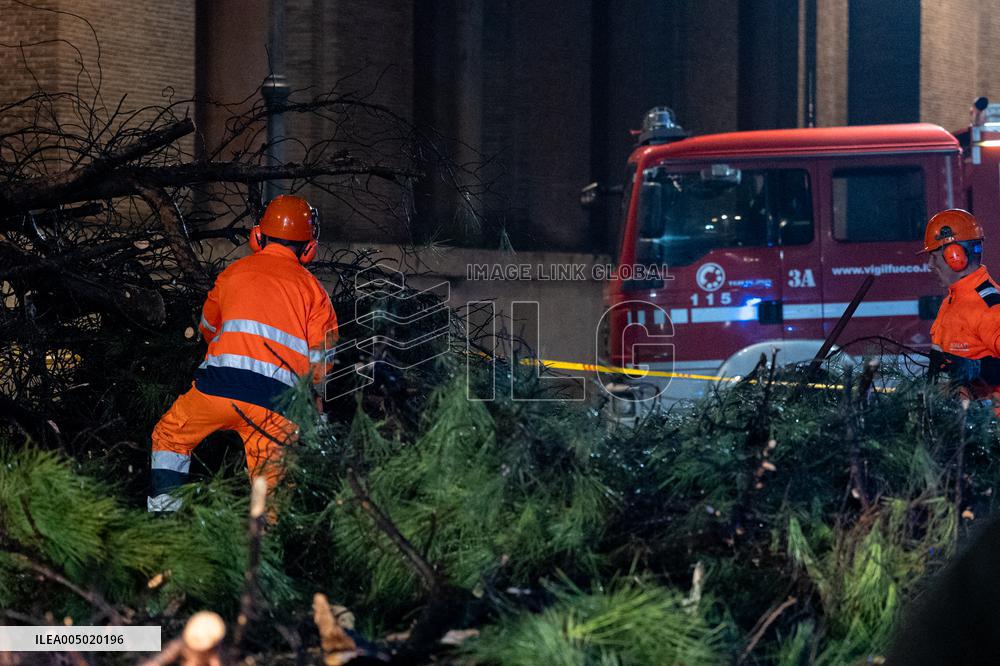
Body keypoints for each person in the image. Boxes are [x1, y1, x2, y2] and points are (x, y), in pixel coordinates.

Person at [148, 195, 338, 512]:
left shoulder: (234, 273)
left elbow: (208, 327)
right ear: (308, 248)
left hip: (219, 390)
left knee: (170, 436)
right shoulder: (315, 292)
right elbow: (322, 367)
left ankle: (165, 523)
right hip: (278, 408)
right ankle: (264, 552)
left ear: (257, 236)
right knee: (273, 499)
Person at [920, 208, 1000, 405]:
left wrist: (975, 371)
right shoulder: (951, 301)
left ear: (955, 256)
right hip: (960, 422)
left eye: (934, 256)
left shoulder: (987, 306)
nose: (930, 264)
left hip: (988, 428)